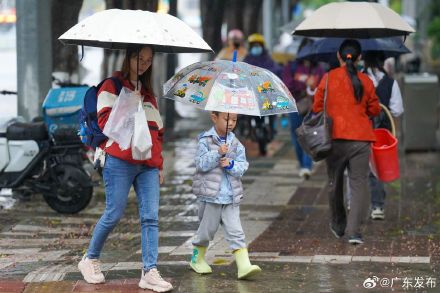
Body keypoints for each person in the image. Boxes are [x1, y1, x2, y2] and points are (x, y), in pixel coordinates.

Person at [77, 46, 173, 292]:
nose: (143, 64)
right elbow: (105, 122)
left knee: (150, 217)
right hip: (119, 160)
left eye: (148, 60)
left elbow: (157, 133)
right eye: (139, 58)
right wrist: (130, 104)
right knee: (114, 212)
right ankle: (90, 259)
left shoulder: (149, 93)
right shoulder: (112, 86)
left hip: (147, 165)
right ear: (129, 57)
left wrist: (159, 165)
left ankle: (149, 271)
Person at [312, 39, 380, 245]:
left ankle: (338, 224)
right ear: (359, 58)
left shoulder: (328, 78)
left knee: (335, 183)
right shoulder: (366, 81)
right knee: (359, 184)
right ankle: (354, 232)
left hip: (334, 139)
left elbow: (316, 107)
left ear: (338, 56)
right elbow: (375, 109)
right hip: (361, 140)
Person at [189, 111, 262, 280]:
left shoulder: (235, 143)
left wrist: (231, 164)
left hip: (230, 196)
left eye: (234, 120)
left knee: (236, 230)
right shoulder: (205, 140)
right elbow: (200, 164)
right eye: (226, 118)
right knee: (207, 230)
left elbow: (243, 166)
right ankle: (197, 259)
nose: (230, 123)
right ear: (214, 118)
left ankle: (244, 265)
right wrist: (217, 154)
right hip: (211, 196)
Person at [363, 51, 404, 220]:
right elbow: (397, 110)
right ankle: (378, 205)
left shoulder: (359, 79)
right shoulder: (390, 83)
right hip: (383, 130)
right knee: (377, 166)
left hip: (361, 127)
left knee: (357, 167)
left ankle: (354, 202)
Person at [282, 39, 325, 179]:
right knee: (297, 137)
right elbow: (287, 84)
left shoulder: (319, 68)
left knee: (310, 135)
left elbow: (323, 85)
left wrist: (313, 86)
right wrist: (304, 83)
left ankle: (307, 166)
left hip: (313, 107)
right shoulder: (292, 66)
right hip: (295, 106)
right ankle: (302, 164)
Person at [242, 33, 282, 156]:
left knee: (272, 110)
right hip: (252, 94)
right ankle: (249, 129)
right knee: (246, 112)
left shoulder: (268, 59)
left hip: (266, 93)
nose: (256, 47)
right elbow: (241, 72)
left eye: (258, 45)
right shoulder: (247, 59)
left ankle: (271, 128)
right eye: (254, 45)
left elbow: (276, 70)